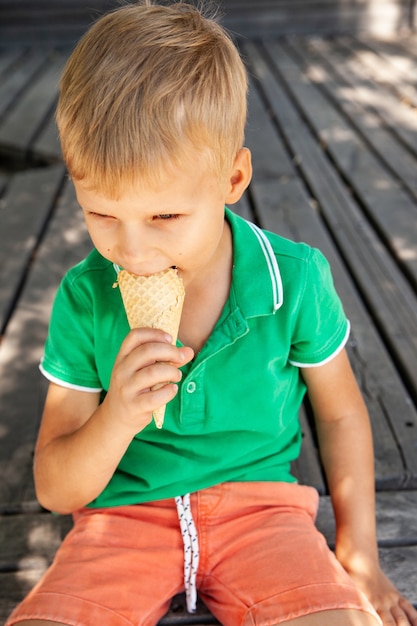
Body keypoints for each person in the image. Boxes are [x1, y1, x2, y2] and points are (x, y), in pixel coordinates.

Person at [6, 2, 417, 625]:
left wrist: (359, 551)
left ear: (233, 177)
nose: (132, 249)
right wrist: (116, 417)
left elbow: (339, 413)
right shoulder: (86, 296)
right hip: (121, 519)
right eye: (102, 214)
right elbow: (55, 488)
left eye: (165, 216)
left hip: (265, 515)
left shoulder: (294, 281)